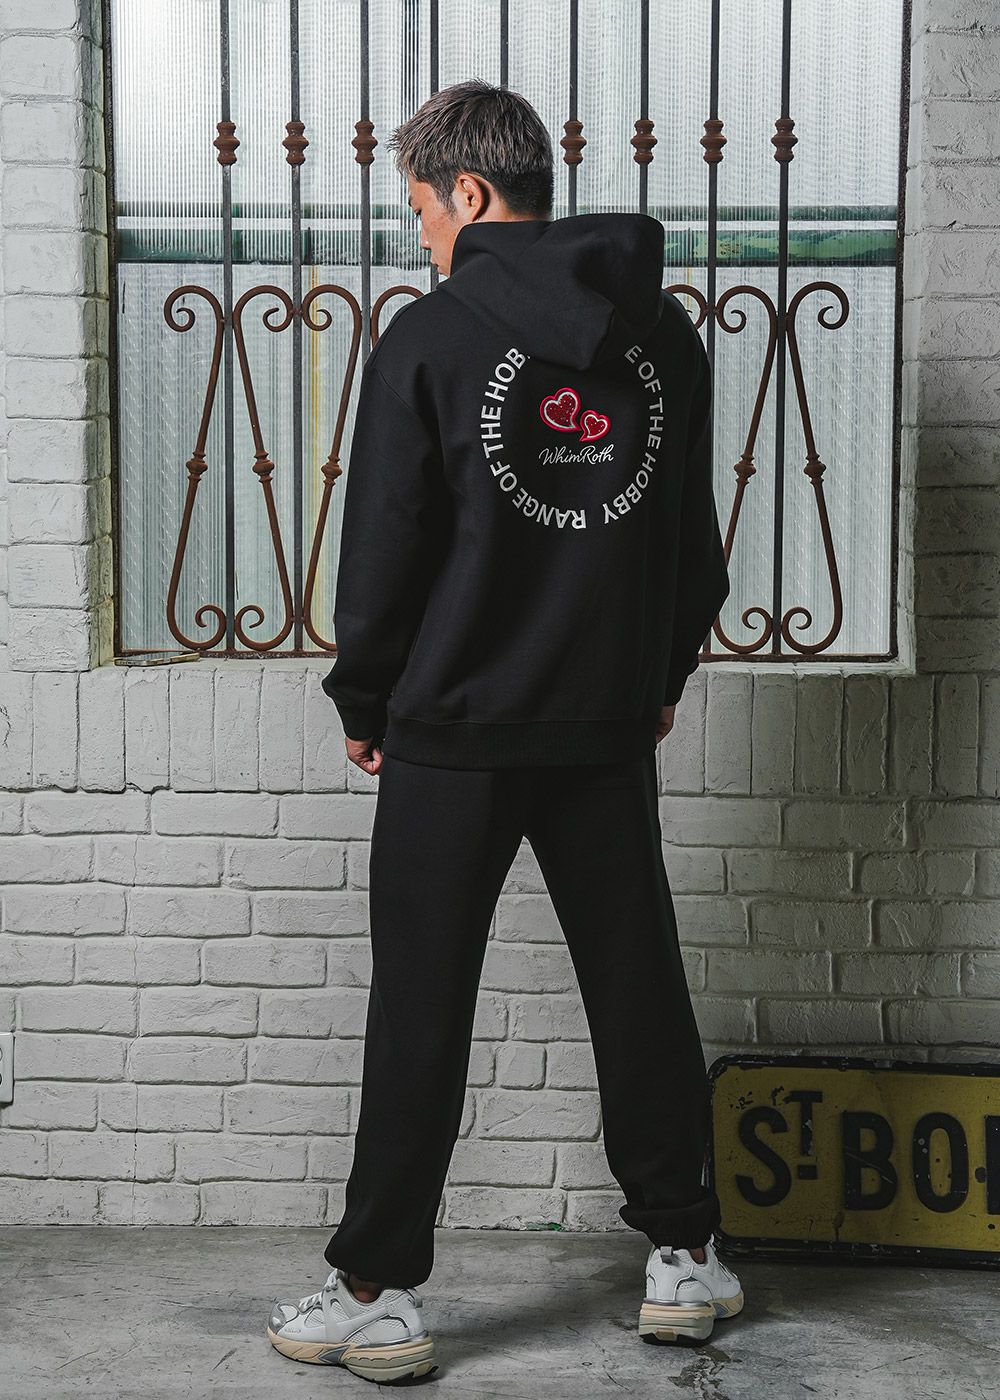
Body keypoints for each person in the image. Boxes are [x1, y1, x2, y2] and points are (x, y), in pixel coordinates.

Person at [265, 78, 742, 1383]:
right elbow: (690, 545)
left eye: (423, 210)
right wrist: (656, 675)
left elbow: (386, 548)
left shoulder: (429, 340)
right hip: (602, 724)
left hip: (451, 731)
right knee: (637, 988)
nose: (423, 236)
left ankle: (377, 1295)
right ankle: (684, 1256)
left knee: (420, 1005)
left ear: (469, 194)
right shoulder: (663, 337)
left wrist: (367, 698)